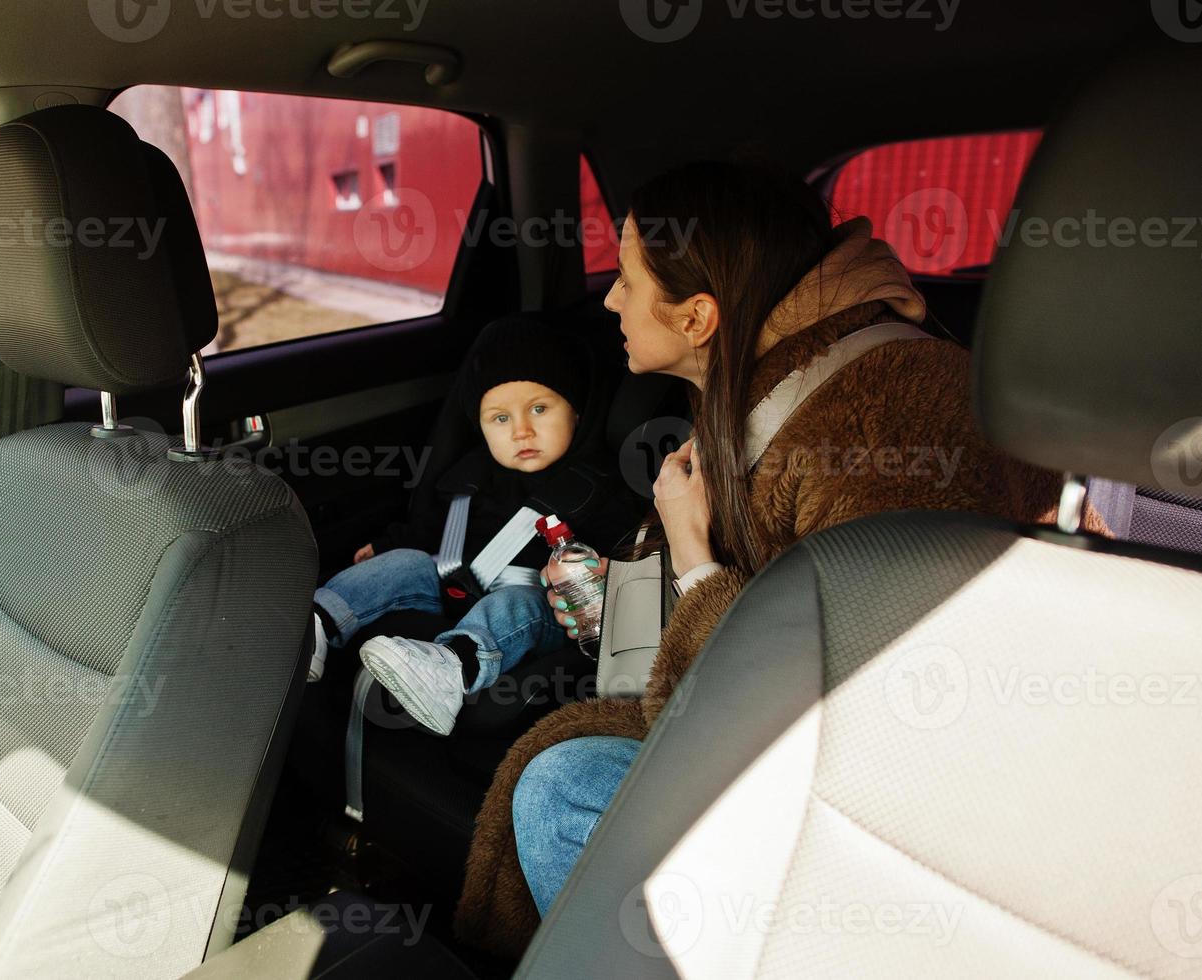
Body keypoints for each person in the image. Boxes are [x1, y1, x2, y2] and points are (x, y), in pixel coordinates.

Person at [453, 160, 1109, 958]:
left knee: (561, 789)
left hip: (918, 794)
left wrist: (692, 555)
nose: (610, 299)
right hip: (787, 736)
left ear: (697, 315)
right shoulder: (759, 390)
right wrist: (621, 602)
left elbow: (849, 719)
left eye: (625, 279)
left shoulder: (882, 427)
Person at [309, 317, 640, 736]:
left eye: (539, 409)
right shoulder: (469, 474)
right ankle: (316, 627)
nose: (521, 430)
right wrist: (389, 545)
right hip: (452, 585)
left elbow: (621, 556)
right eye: (500, 419)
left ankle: (451, 669)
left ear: (576, 409)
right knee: (406, 561)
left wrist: (600, 579)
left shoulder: (596, 489)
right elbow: (434, 527)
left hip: (537, 611)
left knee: (515, 602)